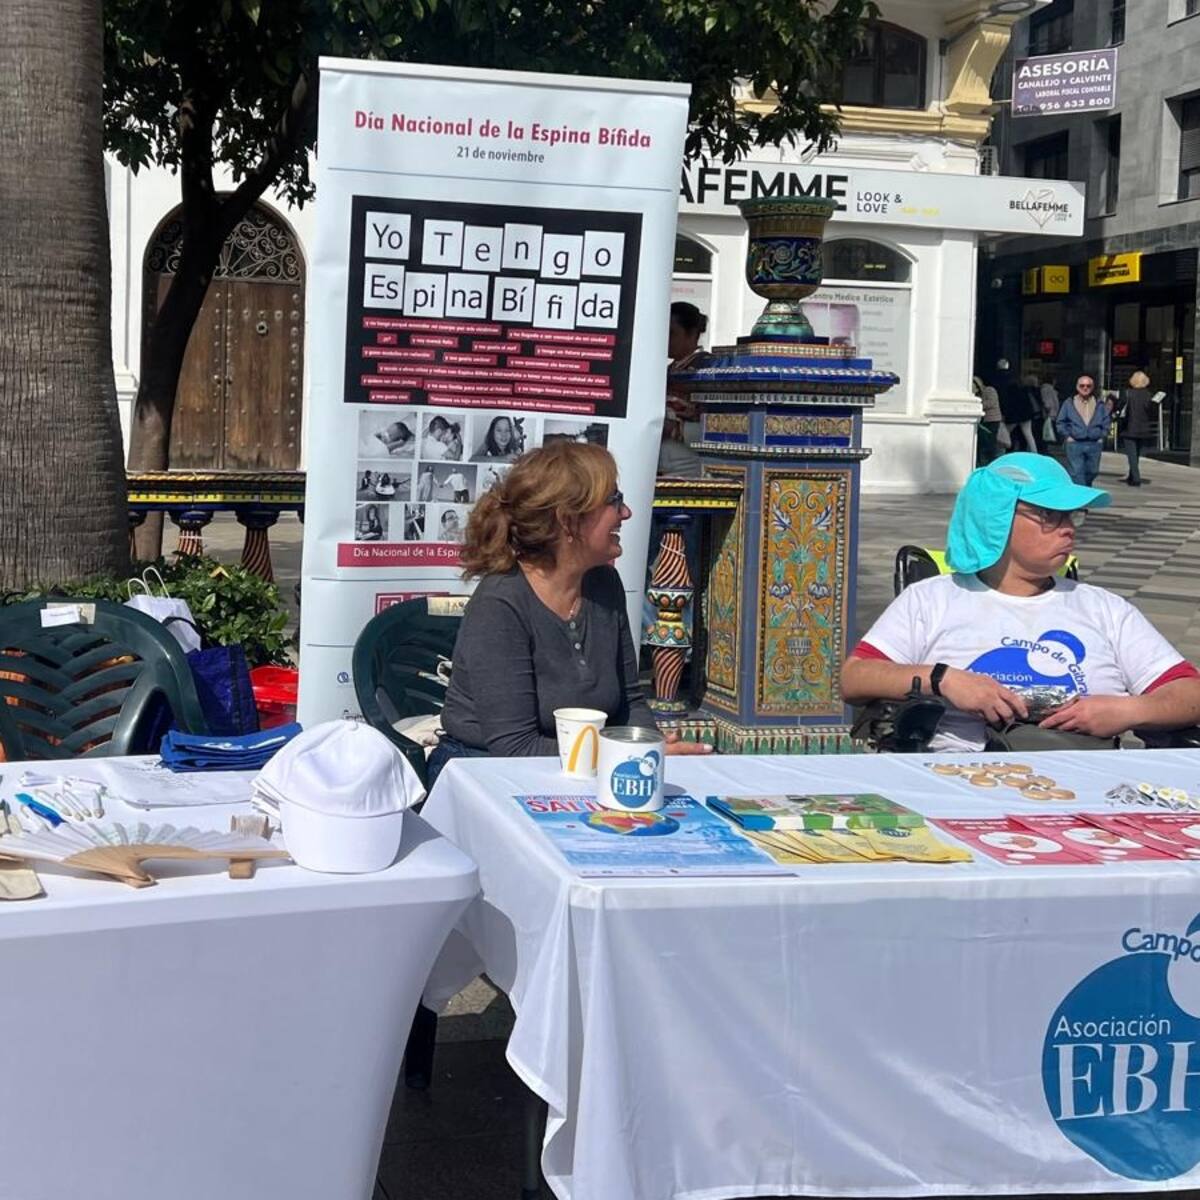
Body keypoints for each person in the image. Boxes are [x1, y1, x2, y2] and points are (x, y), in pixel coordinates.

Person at [841, 454, 1200, 752]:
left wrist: (1130, 710)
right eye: (1049, 515)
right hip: (960, 783)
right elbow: (855, 678)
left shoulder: (1104, 609)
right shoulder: (931, 600)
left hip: (1086, 786)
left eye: (1071, 515)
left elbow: (1190, 693)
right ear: (995, 517)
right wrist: (942, 679)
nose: (1068, 528)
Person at [431, 442, 712, 784]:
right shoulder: (500, 604)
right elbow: (515, 747)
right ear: (568, 521)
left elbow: (630, 702)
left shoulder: (604, 584)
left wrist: (649, 749)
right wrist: (624, 755)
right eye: (614, 501)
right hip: (483, 772)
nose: (626, 514)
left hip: (584, 768)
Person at [657, 302, 708, 479]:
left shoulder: (706, 370)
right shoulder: (668, 370)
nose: (665, 339)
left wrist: (675, 429)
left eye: (672, 333)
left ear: (692, 334)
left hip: (687, 464)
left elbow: (713, 425)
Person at [1056, 375, 1110, 487]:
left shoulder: (1099, 404)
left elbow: (1106, 421)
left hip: (1094, 443)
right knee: (1076, 472)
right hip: (1075, 443)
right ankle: (1081, 495)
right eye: (1082, 386)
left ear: (1092, 387)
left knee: (1093, 471)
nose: (1085, 388)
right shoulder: (1069, 403)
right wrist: (1067, 436)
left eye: (1088, 386)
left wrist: (1102, 436)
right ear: (1077, 387)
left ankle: (1085, 487)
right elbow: (1060, 422)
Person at [1117, 370, 1158, 487]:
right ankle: (1132, 475)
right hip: (1143, 429)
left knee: (1131, 455)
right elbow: (1152, 413)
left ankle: (1136, 477)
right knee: (1136, 454)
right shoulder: (1149, 395)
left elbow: (1121, 407)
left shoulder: (1128, 393)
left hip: (1129, 428)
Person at [995, 359, 1038, 453]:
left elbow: (1004, 399)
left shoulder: (1001, 381)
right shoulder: (1018, 381)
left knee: (1005, 433)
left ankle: (1000, 453)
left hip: (1013, 413)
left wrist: (1003, 412)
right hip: (1025, 412)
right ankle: (1035, 453)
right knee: (1028, 434)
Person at [974, 374, 1003, 463]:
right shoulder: (979, 394)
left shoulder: (989, 390)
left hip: (992, 419)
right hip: (984, 420)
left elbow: (991, 402)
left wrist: (978, 404)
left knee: (990, 441)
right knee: (984, 441)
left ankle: (991, 459)